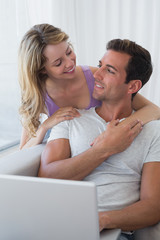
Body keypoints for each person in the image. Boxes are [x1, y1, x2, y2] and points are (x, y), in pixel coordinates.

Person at [38, 39, 160, 240]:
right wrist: (103, 149)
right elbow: (47, 179)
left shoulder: (153, 131)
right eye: (100, 64)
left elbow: (153, 207)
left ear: (133, 86)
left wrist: (101, 220)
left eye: (110, 71)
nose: (96, 74)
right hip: (58, 227)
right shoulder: (70, 118)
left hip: (109, 233)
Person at [18, 23, 160, 149]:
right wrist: (45, 126)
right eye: (58, 63)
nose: (70, 63)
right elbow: (22, 151)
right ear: (42, 69)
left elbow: (153, 109)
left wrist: (119, 130)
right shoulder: (37, 94)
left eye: (68, 52)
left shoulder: (94, 76)